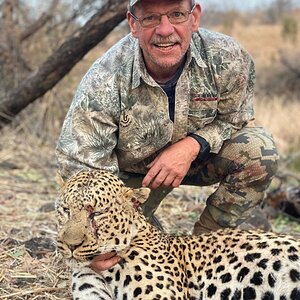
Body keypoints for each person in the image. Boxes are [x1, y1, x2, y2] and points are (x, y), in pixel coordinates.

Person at [56, 0, 279, 271]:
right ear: (133, 24)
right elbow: (80, 166)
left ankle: (207, 247)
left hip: (202, 157)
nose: (165, 30)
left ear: (194, 18)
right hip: (130, 183)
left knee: (260, 150)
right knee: (135, 261)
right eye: (150, 18)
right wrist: (98, 235)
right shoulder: (105, 78)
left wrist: (193, 145)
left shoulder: (228, 56)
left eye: (176, 14)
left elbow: (236, 118)